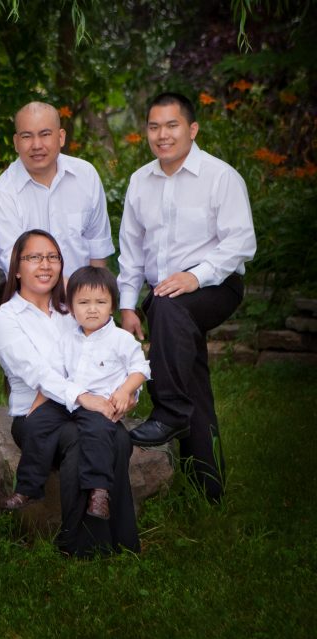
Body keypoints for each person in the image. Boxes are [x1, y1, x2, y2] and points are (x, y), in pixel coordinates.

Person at [118, 92, 256, 502]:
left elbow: (241, 243)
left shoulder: (221, 177)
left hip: (216, 286)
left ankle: (171, 412)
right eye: (154, 126)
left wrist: (197, 277)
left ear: (192, 130)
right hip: (163, 296)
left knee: (169, 308)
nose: (162, 135)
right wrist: (126, 306)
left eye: (172, 125)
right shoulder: (140, 181)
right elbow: (132, 250)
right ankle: (208, 486)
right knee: (188, 365)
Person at [0, 229, 139, 556]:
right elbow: (37, 373)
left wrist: (123, 395)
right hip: (36, 415)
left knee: (119, 438)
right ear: (16, 268)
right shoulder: (5, 318)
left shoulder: (74, 309)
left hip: (85, 411)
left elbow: (110, 354)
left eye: (53, 257)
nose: (45, 265)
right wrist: (87, 398)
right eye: (34, 258)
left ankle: (117, 541)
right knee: (79, 438)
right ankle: (83, 544)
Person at [0, 266, 149, 521]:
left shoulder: (120, 339)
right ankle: (28, 487)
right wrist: (37, 406)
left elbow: (140, 369)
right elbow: (55, 374)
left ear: (112, 306)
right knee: (37, 423)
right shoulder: (67, 339)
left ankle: (99, 491)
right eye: (83, 302)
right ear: (70, 307)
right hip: (69, 401)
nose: (92, 309)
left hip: (100, 404)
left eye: (100, 302)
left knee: (97, 433)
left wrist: (126, 391)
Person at [0, 101, 113, 289]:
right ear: (16, 143)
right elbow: (14, 263)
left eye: (45, 134)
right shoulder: (3, 192)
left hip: (83, 301)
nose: (36, 145)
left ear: (61, 137)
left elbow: (98, 247)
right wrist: (73, 293)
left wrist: (95, 299)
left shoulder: (85, 176)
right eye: (27, 136)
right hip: (26, 301)